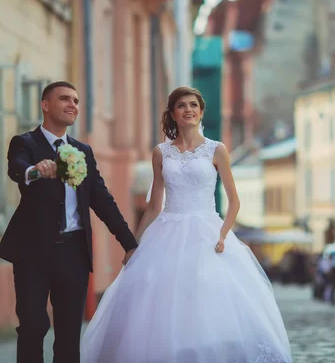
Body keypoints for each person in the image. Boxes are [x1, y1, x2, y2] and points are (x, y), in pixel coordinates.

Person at [80, 86, 292, 362]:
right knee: (161, 298)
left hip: (208, 230)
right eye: (181, 105)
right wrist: (133, 244)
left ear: (201, 112)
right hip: (167, 231)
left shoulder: (217, 150)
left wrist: (223, 235)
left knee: (209, 294)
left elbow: (234, 202)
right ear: (173, 114)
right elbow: (155, 205)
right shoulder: (161, 153)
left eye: (193, 105)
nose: (188, 109)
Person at [0, 81, 138, 363]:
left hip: (73, 252)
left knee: (69, 334)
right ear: (45, 105)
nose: (72, 105)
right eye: (64, 99)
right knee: (33, 326)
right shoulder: (24, 143)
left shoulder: (82, 151)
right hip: (32, 252)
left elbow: (102, 200)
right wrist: (35, 171)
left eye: (75, 100)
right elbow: (17, 168)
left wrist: (129, 244)